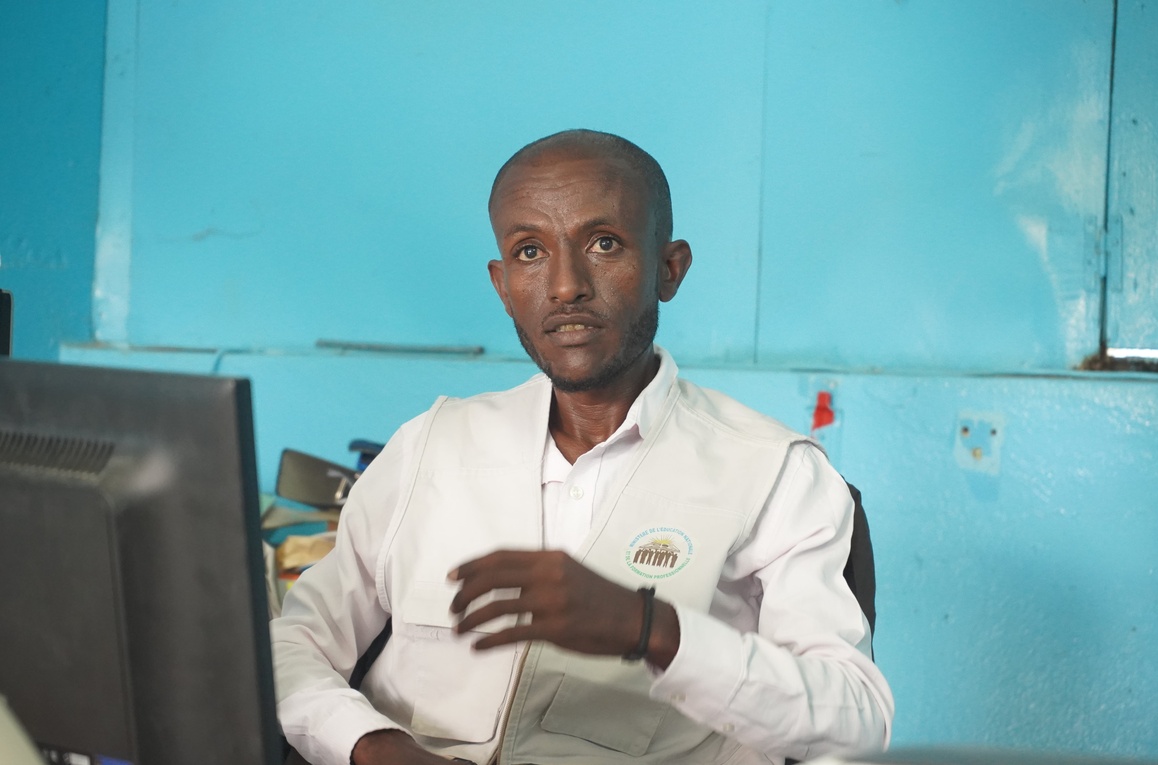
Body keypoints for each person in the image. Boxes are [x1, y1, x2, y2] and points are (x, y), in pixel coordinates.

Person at [271, 129, 894, 765]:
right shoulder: (430, 446)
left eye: (604, 244)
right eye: (530, 251)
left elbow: (855, 720)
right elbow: (293, 645)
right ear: (502, 283)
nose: (566, 285)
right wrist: (374, 747)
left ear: (669, 269)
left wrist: (650, 630)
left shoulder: (772, 472)